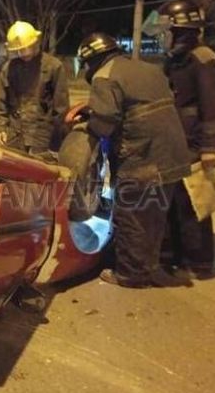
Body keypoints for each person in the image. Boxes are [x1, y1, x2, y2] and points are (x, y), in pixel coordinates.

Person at [74, 32, 192, 288]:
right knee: (155, 217)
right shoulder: (148, 68)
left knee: (130, 215)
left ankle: (130, 275)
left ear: (91, 59)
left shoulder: (104, 76)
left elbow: (105, 123)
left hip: (143, 158)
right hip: (173, 155)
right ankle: (153, 267)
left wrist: (86, 123)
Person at [146, 0, 215, 279]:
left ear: (181, 30)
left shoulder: (203, 60)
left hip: (193, 145)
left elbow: (214, 109)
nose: (162, 37)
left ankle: (200, 263)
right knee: (171, 203)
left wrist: (209, 149)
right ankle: (171, 258)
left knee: (193, 205)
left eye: (166, 31)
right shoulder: (176, 61)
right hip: (174, 143)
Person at [0, 21, 69, 157]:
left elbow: (61, 107)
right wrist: (1, 128)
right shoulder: (9, 69)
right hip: (16, 133)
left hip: (42, 134)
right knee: (14, 171)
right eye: (18, 50)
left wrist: (56, 137)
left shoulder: (53, 67)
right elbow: (2, 102)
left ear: (35, 43)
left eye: (24, 48)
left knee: (40, 173)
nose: (21, 53)